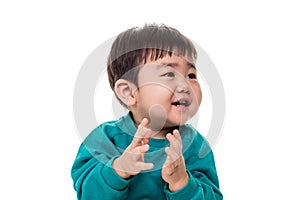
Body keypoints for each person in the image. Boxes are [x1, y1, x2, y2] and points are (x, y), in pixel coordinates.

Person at [71, 23, 223, 200]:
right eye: (169, 74)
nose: (185, 86)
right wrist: (119, 169)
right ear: (129, 92)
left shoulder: (195, 145)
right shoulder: (105, 138)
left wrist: (182, 183)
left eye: (191, 75)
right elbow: (88, 194)